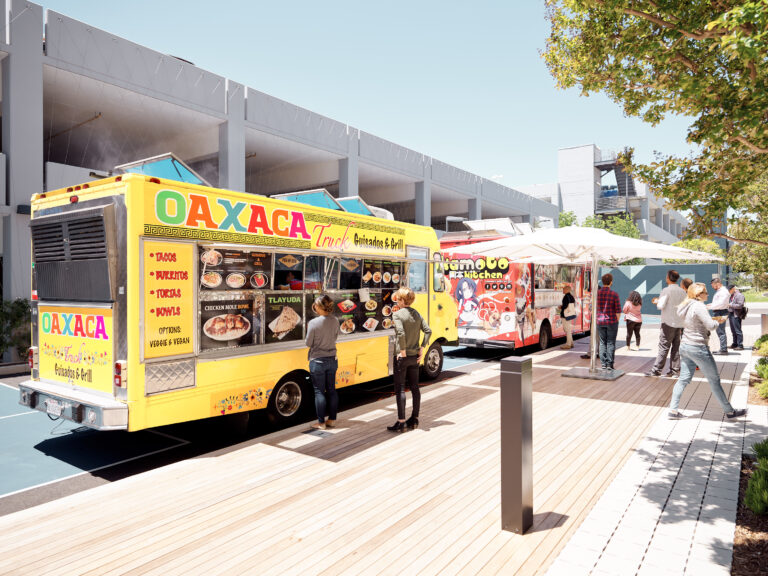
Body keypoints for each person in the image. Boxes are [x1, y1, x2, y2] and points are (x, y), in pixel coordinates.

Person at [667, 282, 746, 420]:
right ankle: (729, 411)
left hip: (685, 346)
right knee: (714, 380)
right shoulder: (698, 306)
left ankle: (673, 411)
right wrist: (718, 322)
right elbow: (710, 325)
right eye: (706, 293)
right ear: (698, 294)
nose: (708, 295)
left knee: (683, 379)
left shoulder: (685, 305)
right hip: (698, 347)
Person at [387, 287, 432, 433]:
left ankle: (401, 422)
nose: (397, 301)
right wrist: (422, 348)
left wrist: (402, 351)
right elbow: (428, 331)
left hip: (403, 357)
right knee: (415, 387)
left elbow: (400, 332)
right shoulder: (416, 314)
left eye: (398, 299)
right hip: (415, 357)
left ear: (401, 300)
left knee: (400, 388)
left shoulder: (397, 314)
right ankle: (414, 418)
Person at [305, 295, 340, 430]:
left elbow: (308, 343)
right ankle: (332, 420)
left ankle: (321, 423)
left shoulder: (313, 323)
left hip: (317, 361)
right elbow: (336, 337)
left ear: (319, 307)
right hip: (332, 359)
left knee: (319, 392)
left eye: (315, 305)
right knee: (331, 390)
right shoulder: (336, 320)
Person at [646, 270, 687, 377]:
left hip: (668, 322)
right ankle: (674, 371)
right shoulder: (682, 291)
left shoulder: (666, 290)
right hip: (679, 323)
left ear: (668, 277)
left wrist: (657, 301)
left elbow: (661, 305)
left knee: (664, 347)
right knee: (676, 347)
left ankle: (656, 370)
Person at [596, 273, 621, 370]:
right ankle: (610, 364)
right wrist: (616, 320)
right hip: (611, 321)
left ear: (602, 282)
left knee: (602, 343)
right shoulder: (614, 294)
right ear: (611, 282)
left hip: (600, 321)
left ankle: (603, 364)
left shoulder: (597, 294)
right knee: (610, 343)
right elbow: (618, 310)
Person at [707, 277, 730, 355]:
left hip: (721, 312)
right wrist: (710, 305)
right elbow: (718, 303)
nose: (713, 287)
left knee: (721, 331)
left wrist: (710, 307)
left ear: (718, 284)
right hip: (719, 311)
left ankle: (723, 349)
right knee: (719, 330)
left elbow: (721, 304)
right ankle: (723, 348)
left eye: (713, 285)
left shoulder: (723, 291)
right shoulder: (720, 291)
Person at [728, 284, 746, 350]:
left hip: (736, 314)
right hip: (731, 314)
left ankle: (740, 345)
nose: (728, 292)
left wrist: (730, 305)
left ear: (733, 289)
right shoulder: (732, 295)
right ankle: (735, 343)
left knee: (738, 330)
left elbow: (740, 305)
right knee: (733, 330)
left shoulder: (739, 295)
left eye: (729, 290)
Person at [560, 285, 576, 349]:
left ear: (567, 290)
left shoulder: (566, 297)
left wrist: (560, 307)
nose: (563, 290)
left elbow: (565, 306)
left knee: (567, 330)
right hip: (570, 314)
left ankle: (568, 344)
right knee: (569, 329)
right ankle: (571, 343)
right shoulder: (571, 296)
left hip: (565, 315)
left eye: (564, 289)